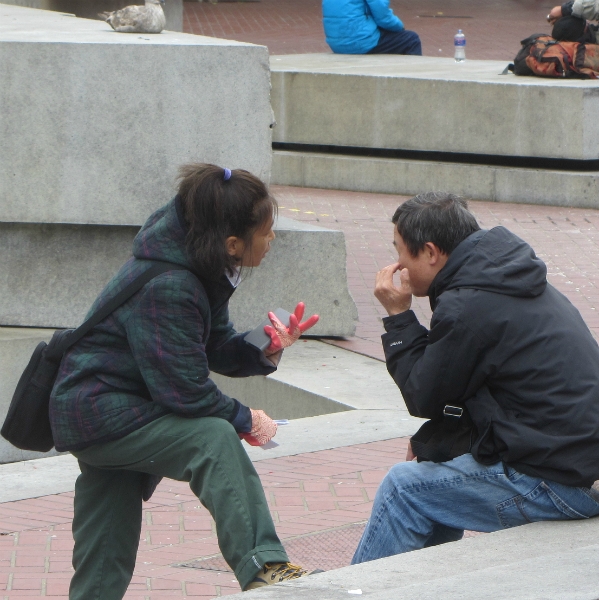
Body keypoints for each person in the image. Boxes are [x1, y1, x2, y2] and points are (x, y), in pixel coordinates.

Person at [49, 164, 320, 598]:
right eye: (267, 232)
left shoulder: (198, 265)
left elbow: (212, 346)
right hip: (103, 411)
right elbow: (186, 391)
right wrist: (244, 417)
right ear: (234, 243)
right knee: (213, 437)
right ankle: (264, 565)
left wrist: (262, 349)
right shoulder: (172, 284)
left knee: (106, 544)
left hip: (101, 410)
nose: (272, 241)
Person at [352, 192, 599, 564]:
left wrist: (398, 318)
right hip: (577, 464)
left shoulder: (467, 303)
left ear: (431, 252)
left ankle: (354, 589)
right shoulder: (508, 277)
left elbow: (423, 395)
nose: (398, 265)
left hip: (556, 483)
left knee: (403, 488)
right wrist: (435, 443)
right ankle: (416, 586)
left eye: (401, 251)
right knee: (431, 472)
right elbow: (472, 388)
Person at [322, 0, 422, 56]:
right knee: (411, 39)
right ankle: (415, 87)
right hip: (359, 42)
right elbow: (383, 17)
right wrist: (400, 27)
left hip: (336, 43)